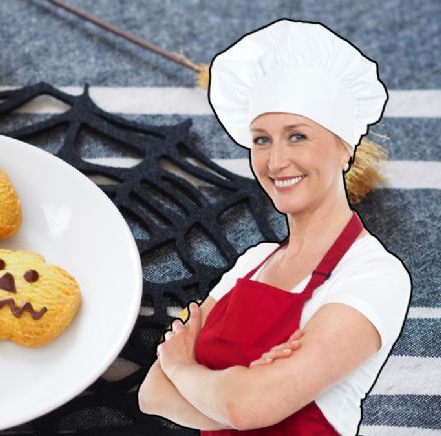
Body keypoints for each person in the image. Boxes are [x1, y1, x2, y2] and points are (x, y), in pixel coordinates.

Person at [137, 19, 411, 435]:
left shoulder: (376, 274)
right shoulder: (254, 261)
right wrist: (234, 390)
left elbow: (247, 407)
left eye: (297, 136)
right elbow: (152, 393)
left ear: (345, 148)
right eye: (261, 140)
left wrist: (182, 366)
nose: (276, 161)